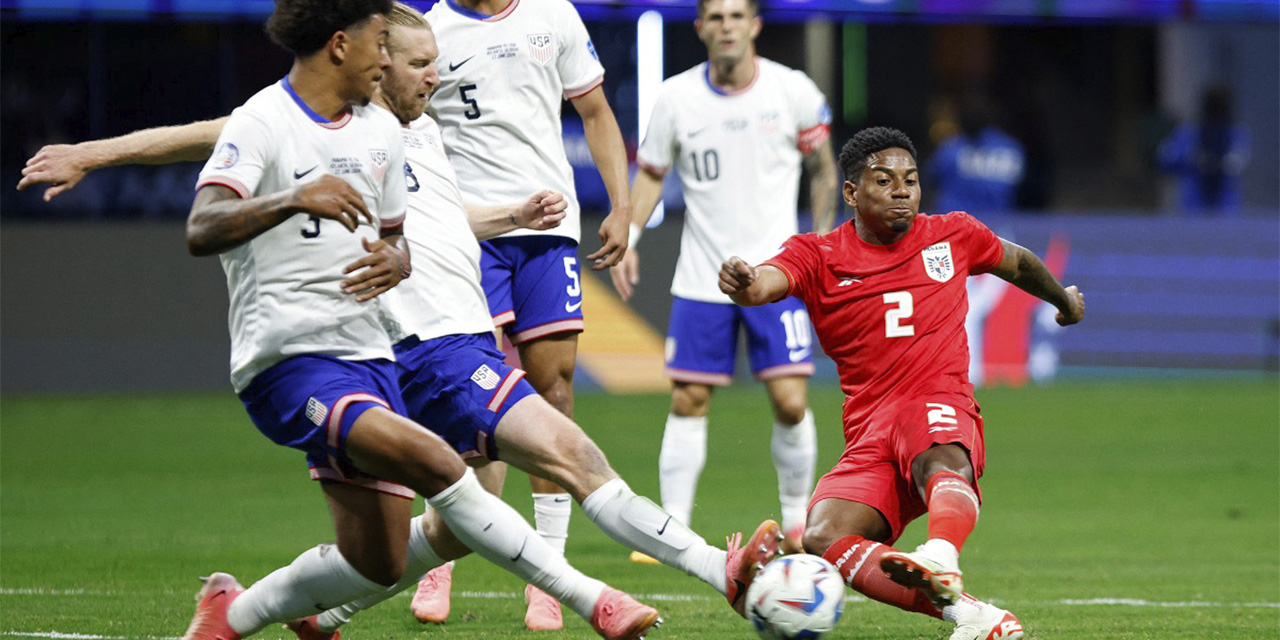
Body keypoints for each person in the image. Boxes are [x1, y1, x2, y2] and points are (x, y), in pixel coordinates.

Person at [17, 4, 782, 637]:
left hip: (447, 343)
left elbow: (433, 222)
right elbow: (203, 138)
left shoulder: (407, 134)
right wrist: (92, 151)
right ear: (370, 61)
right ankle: (631, 588)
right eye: (412, 61)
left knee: (424, 538)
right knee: (547, 466)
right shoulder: (312, 126)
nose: (431, 76)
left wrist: (505, 215)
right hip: (407, 351)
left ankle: (257, 611)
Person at [717, 126, 1085, 640]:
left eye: (910, 181)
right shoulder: (818, 255)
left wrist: (1062, 301)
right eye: (884, 180)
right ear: (850, 193)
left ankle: (940, 554)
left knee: (937, 449)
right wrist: (745, 280)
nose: (901, 191)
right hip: (870, 434)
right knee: (824, 534)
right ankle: (975, 618)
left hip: (937, 402)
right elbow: (765, 281)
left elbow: (1016, 261)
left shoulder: (951, 233)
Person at [413, 0, 636, 627]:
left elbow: (594, 109)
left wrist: (620, 205)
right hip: (468, 232)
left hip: (548, 229)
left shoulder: (553, 14)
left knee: (554, 392)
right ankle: (439, 560)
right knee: (462, 393)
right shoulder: (430, 31)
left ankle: (550, 577)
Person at [609, 0, 838, 559]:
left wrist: (822, 247)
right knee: (688, 398)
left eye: (737, 16)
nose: (727, 26)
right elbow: (651, 178)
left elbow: (824, 170)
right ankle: (672, 529)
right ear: (700, 29)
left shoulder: (793, 92)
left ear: (754, 26)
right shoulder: (676, 98)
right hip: (700, 277)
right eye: (716, 17)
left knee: (789, 401)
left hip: (776, 276)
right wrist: (629, 241)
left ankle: (794, 522)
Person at [1157, 85, 1251, 215]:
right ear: (1205, 109)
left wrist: (1223, 163)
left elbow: (1238, 163)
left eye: (1220, 109)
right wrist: (1192, 160)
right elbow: (1164, 161)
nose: (1216, 114)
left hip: (1226, 208)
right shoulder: (1187, 134)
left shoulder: (1237, 135)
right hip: (1193, 207)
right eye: (1213, 109)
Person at [926, 93, 1025, 215]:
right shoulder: (1012, 147)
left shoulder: (950, 147)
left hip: (961, 226)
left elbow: (929, 182)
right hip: (996, 226)